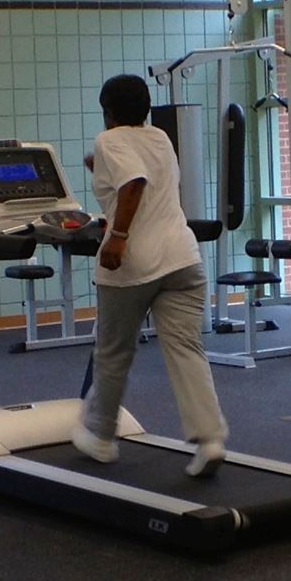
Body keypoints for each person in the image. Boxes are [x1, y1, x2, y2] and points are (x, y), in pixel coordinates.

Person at [76, 73, 228, 477]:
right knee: (186, 349)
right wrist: (100, 167)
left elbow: (134, 183)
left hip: (134, 265)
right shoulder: (160, 137)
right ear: (147, 110)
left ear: (107, 113)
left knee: (112, 353)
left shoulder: (108, 139)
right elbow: (143, 170)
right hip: (183, 260)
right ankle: (209, 438)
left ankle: (100, 436)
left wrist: (117, 238)